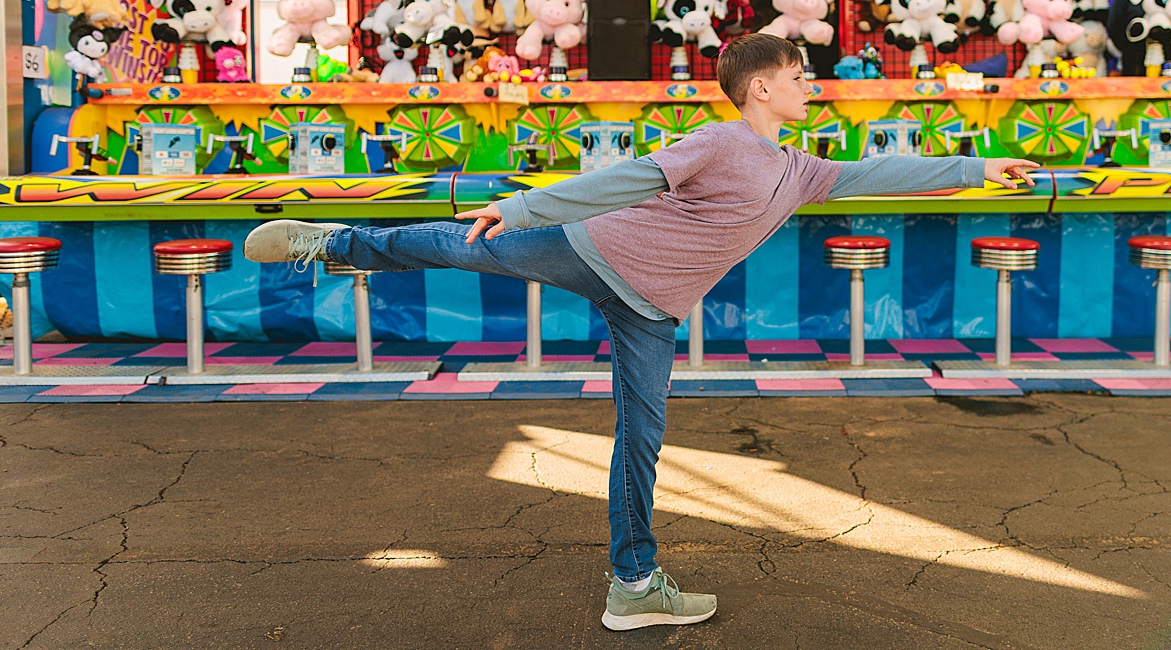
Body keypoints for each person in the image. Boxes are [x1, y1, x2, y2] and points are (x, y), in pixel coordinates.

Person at [243, 33, 1039, 631]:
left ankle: (634, 585)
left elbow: (873, 175)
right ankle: (333, 241)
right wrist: (520, 209)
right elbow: (627, 179)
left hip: (653, 307)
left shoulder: (798, 168)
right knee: (464, 243)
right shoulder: (723, 140)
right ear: (761, 87)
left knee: (642, 438)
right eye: (800, 77)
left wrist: (977, 167)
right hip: (594, 249)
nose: (812, 87)